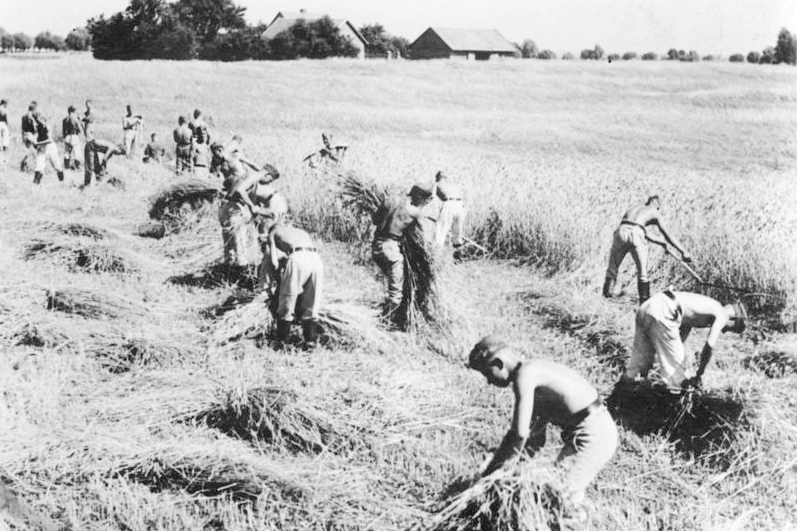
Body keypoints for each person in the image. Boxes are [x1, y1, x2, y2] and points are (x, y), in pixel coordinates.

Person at [468, 335, 618, 511]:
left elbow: (518, 434)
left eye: (487, 373)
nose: (489, 381)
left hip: (593, 435)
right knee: (556, 497)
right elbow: (534, 441)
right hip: (596, 430)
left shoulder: (525, 376)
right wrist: (507, 476)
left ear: (499, 363)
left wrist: (489, 476)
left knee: (557, 499)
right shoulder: (535, 373)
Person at [621, 290, 747, 391]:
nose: (724, 331)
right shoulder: (722, 314)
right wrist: (699, 373)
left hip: (649, 305)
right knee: (677, 375)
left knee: (638, 362)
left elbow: (680, 337)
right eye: (731, 328)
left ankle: (620, 396)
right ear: (733, 318)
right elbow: (709, 346)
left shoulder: (705, 306)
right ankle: (672, 410)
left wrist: (679, 358)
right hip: (665, 311)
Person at [603, 195, 691, 303]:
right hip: (637, 233)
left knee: (612, 268)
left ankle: (606, 299)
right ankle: (644, 303)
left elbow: (638, 228)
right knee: (643, 273)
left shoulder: (634, 208)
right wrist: (683, 251)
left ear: (647, 202)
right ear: (658, 205)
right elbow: (667, 235)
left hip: (621, 231)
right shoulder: (654, 212)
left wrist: (661, 242)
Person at [259, 220, 323, 349]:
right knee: (312, 299)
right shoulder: (299, 232)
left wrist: (273, 284)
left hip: (298, 258)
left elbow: (273, 261)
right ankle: (311, 341)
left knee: (288, 297)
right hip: (316, 259)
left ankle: (282, 341)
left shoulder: (273, 231)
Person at [371, 183, 433, 314]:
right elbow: (426, 237)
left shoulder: (389, 200)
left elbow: (375, 220)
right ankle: (382, 322)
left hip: (376, 247)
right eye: (425, 200)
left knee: (399, 282)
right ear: (420, 197)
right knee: (396, 298)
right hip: (391, 250)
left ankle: (396, 315)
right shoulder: (414, 212)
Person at [26, 103, 65, 185]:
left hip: (50, 147)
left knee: (57, 166)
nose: (38, 120)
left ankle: (62, 183)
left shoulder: (47, 126)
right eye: (36, 119)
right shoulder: (38, 127)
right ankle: (35, 185)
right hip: (42, 147)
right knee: (39, 166)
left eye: (39, 118)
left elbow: (50, 140)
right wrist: (33, 142)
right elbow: (36, 140)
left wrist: (37, 143)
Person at [432, 171, 466, 260]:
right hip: (460, 205)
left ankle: (436, 259)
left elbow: (430, 197)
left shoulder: (436, 184)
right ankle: (458, 258)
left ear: (438, 177)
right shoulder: (453, 185)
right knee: (457, 234)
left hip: (449, 204)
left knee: (440, 233)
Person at [83, 123, 125, 187]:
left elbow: (104, 162)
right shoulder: (112, 148)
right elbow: (104, 159)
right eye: (119, 153)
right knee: (90, 168)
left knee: (97, 169)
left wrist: (103, 170)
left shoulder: (112, 150)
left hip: (94, 149)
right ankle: (86, 186)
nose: (118, 155)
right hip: (90, 146)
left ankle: (98, 184)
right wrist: (104, 170)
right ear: (119, 148)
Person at [62, 105, 84, 170]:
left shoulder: (65, 119)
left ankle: (66, 167)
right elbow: (80, 129)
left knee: (67, 153)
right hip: (74, 136)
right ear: (74, 111)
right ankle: (77, 166)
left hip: (67, 137)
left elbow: (63, 130)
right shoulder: (75, 119)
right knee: (77, 152)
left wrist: (64, 137)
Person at [0, 99, 9, 165]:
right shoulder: (4, 109)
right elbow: (6, 119)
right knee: (5, 141)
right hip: (3, 124)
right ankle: (3, 159)